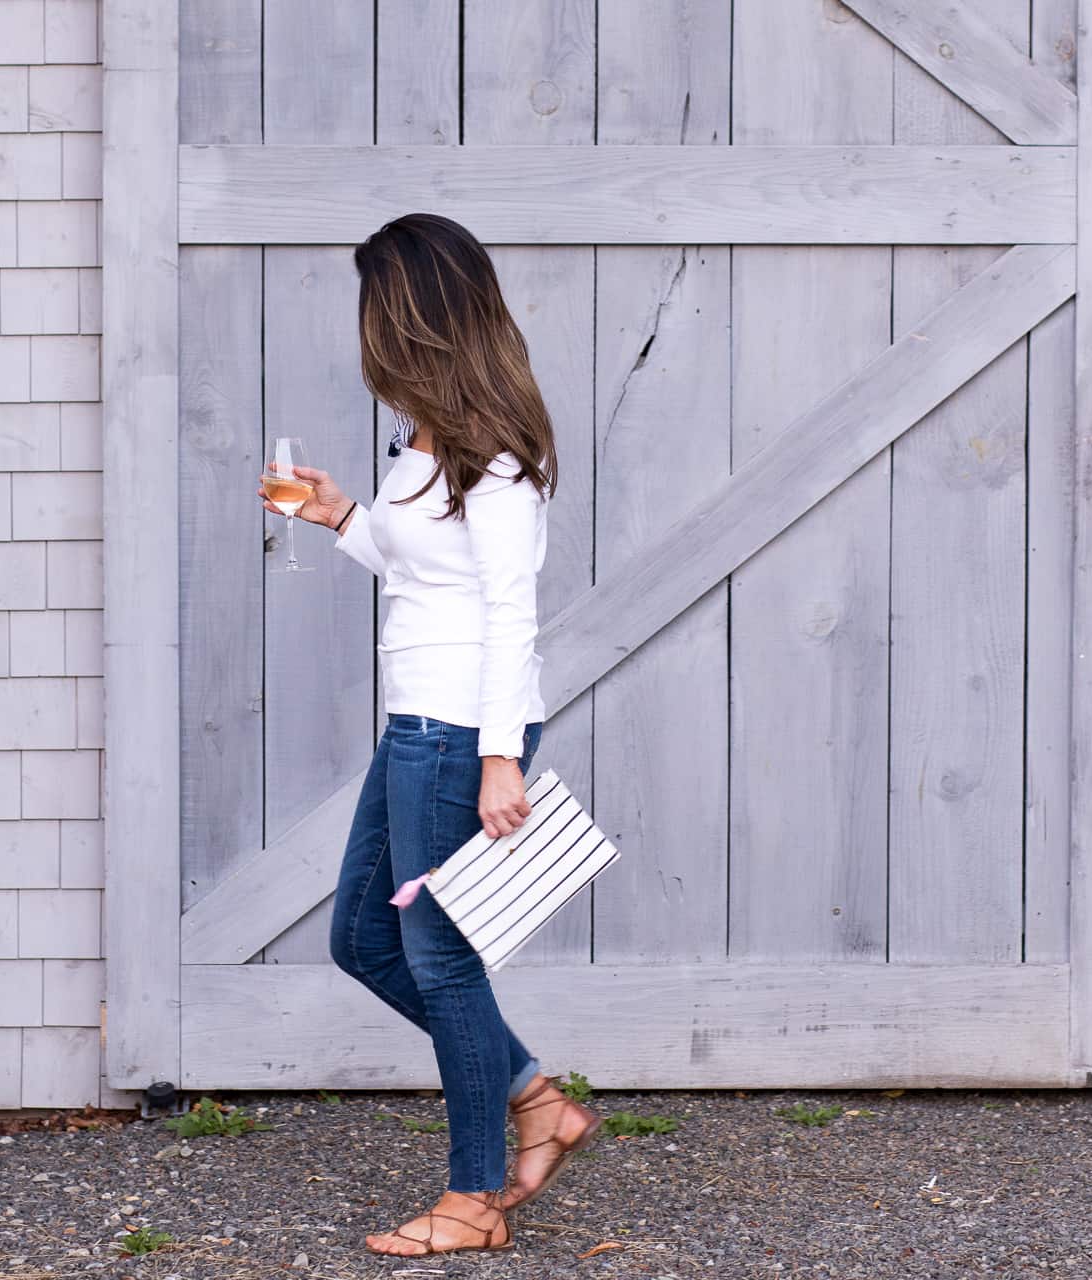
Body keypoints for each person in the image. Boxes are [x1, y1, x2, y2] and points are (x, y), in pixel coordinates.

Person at [257, 212, 601, 1257]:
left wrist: (501, 753)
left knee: (441, 958)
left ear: (412, 319)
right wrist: (344, 517)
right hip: (421, 725)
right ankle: (535, 1097)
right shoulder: (425, 441)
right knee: (361, 936)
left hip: (458, 733)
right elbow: (423, 575)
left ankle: (475, 1197)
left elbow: (510, 614)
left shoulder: (494, 461)